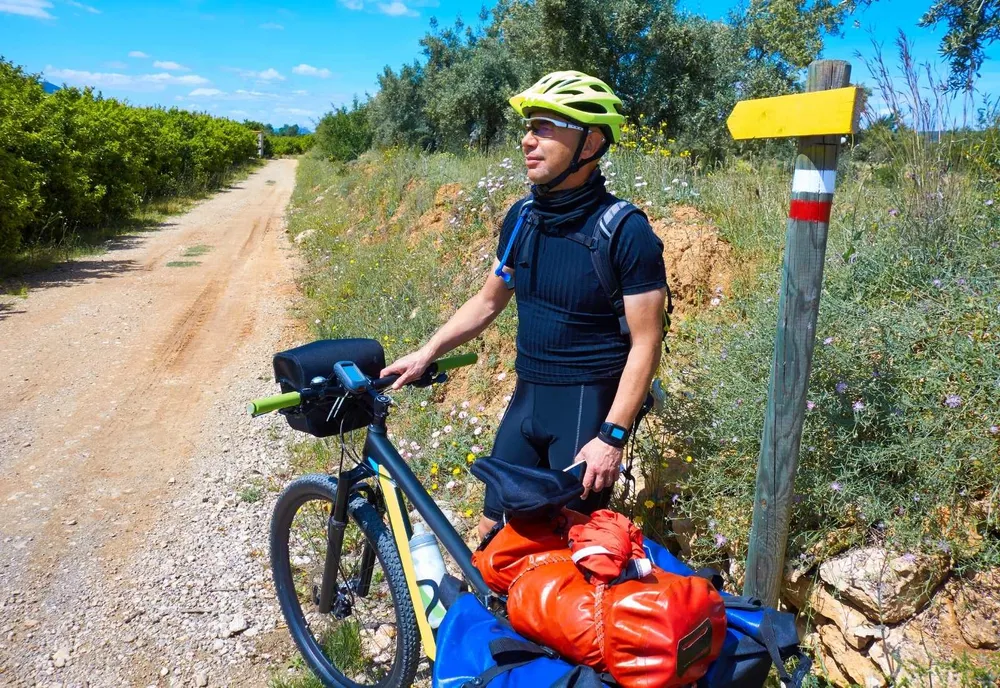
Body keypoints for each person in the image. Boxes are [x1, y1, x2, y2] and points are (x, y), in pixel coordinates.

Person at [381, 70, 668, 539]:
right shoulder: (523, 217)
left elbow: (645, 342)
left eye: (544, 128)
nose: (527, 140)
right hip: (528, 397)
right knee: (492, 529)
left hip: (586, 410)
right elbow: (488, 300)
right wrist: (426, 351)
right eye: (528, 127)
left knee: (569, 550)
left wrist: (611, 437)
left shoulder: (624, 230)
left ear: (591, 143)